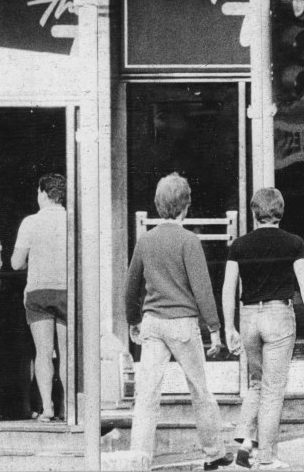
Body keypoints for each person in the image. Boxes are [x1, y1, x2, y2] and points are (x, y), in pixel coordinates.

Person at [125, 172, 233, 471]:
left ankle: (139, 458)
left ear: (158, 205)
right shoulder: (189, 241)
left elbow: (131, 285)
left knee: (147, 394)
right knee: (199, 388)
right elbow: (202, 288)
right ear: (186, 206)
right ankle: (213, 452)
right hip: (183, 323)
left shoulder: (145, 240)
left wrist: (133, 319)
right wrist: (214, 328)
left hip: (153, 323)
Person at [222, 187, 304, 470]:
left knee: (256, 383)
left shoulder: (239, 246)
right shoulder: (294, 243)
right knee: (273, 389)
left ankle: (244, 445)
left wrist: (229, 326)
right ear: (281, 211)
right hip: (279, 315)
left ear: (254, 213)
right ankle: (266, 457)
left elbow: (229, 288)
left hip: (249, 316)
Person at [11, 173, 67, 422]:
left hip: (38, 291)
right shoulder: (71, 219)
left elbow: (15, 263)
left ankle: (48, 408)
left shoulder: (30, 223)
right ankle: (70, 408)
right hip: (67, 291)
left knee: (43, 353)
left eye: (37, 192)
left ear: (44, 193)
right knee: (66, 354)